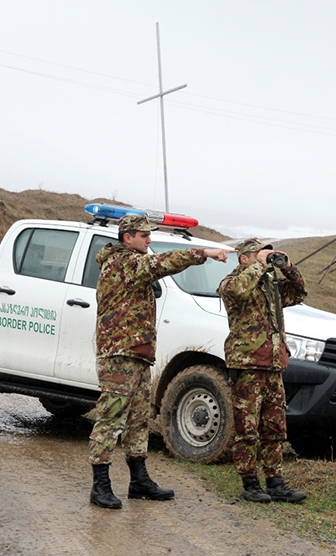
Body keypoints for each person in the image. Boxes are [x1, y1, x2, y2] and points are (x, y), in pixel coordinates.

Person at [89, 214, 231, 509]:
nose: (149, 240)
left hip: (136, 353)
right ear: (128, 238)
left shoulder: (131, 262)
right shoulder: (122, 263)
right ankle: (100, 485)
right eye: (144, 236)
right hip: (118, 355)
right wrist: (202, 253)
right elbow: (161, 263)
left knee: (139, 419)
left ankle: (138, 480)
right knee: (111, 417)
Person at [217, 237, 308, 503]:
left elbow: (299, 292)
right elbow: (241, 291)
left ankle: (275, 481)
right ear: (244, 259)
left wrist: (287, 267)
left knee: (275, 427)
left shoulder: (270, 286)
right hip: (247, 365)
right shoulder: (231, 284)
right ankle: (249, 483)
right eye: (257, 254)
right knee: (247, 428)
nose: (264, 258)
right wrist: (259, 265)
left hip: (273, 364)